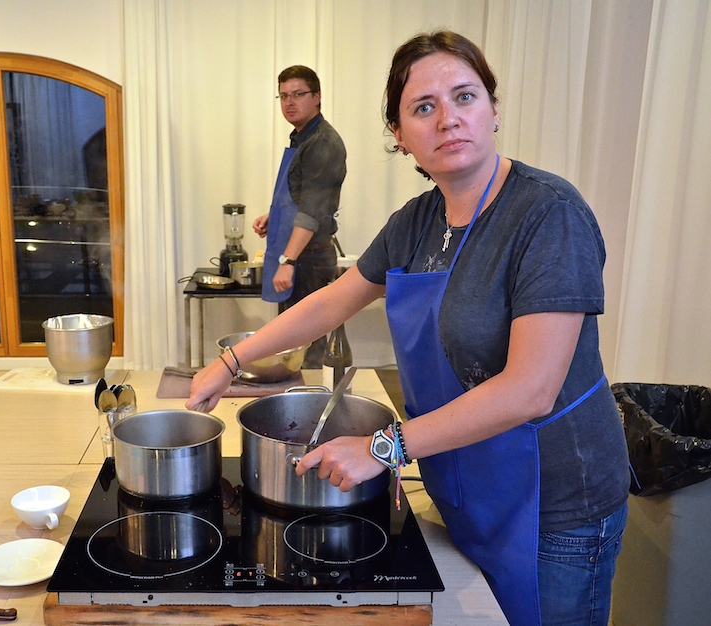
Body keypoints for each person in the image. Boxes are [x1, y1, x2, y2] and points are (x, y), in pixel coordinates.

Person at [188, 31, 629, 626]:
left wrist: (384, 447)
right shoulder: (417, 221)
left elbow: (531, 389)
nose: (448, 119)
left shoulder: (549, 214)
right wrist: (230, 361)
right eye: (423, 107)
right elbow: (330, 304)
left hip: (555, 509)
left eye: (465, 96)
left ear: (494, 109)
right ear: (399, 135)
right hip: (465, 481)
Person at [253, 65, 346, 367]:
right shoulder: (302, 137)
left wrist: (288, 261)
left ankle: (310, 396)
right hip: (300, 256)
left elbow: (312, 211)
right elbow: (302, 195)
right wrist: (275, 215)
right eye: (283, 96)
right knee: (292, 343)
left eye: (298, 94)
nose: (289, 102)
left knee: (308, 351)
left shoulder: (323, 143)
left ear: (317, 97)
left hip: (309, 261)